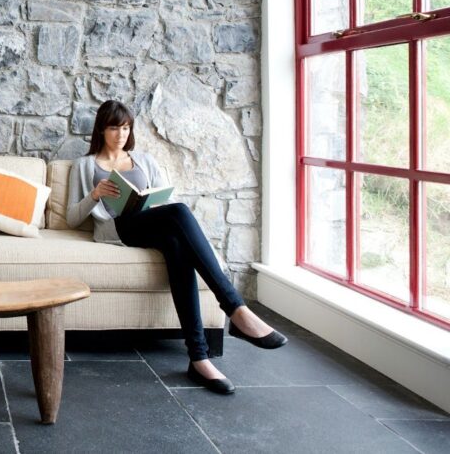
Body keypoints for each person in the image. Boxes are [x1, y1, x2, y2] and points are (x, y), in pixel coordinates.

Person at [67, 100, 287, 394]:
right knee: (181, 212)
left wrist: (148, 200)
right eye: (113, 127)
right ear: (101, 129)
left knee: (176, 246)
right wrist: (95, 194)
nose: (120, 134)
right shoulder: (84, 165)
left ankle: (199, 359)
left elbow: (165, 201)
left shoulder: (144, 160)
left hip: (149, 222)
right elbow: (71, 218)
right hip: (118, 228)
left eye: (126, 127)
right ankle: (235, 307)